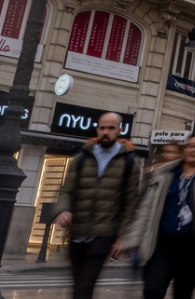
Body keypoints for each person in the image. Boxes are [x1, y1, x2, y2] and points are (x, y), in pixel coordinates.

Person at [119, 132, 195, 299]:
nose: (192, 150)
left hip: (192, 248)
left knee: (182, 293)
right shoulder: (166, 175)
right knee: (152, 290)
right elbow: (146, 210)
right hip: (162, 246)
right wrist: (131, 239)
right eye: (189, 146)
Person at [52, 111, 140, 299]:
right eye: (102, 128)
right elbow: (66, 190)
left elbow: (130, 204)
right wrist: (63, 209)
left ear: (120, 130)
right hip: (77, 232)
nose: (105, 132)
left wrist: (123, 236)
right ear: (97, 129)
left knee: (85, 285)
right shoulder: (82, 158)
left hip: (104, 233)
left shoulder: (129, 162)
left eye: (111, 128)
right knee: (79, 285)